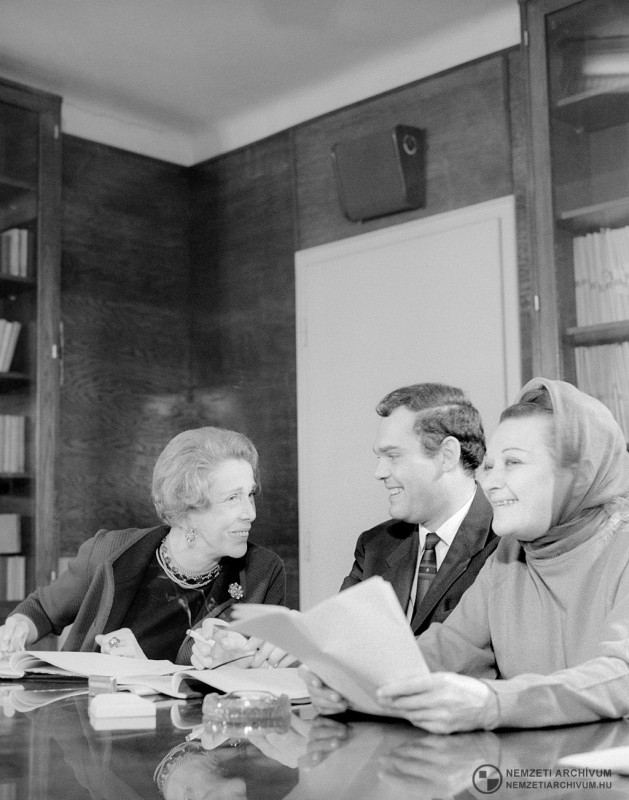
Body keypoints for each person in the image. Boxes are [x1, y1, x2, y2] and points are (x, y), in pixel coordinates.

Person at [304, 378, 629, 732]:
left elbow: (621, 675)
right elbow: (448, 647)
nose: (489, 482)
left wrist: (493, 703)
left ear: (579, 475)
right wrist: (350, 680)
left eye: (513, 462)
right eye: (488, 466)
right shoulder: (507, 555)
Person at [0, 426, 286, 665]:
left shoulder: (264, 573)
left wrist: (243, 665)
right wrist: (17, 629)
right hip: (92, 712)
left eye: (250, 494)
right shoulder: (109, 552)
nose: (250, 513)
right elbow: (40, 611)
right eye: (233, 498)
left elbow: (263, 677)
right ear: (188, 508)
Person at [341, 383, 497, 635]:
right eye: (379, 458)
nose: (379, 472)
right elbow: (342, 638)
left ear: (447, 455)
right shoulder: (374, 546)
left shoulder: (508, 549)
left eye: (393, 456)